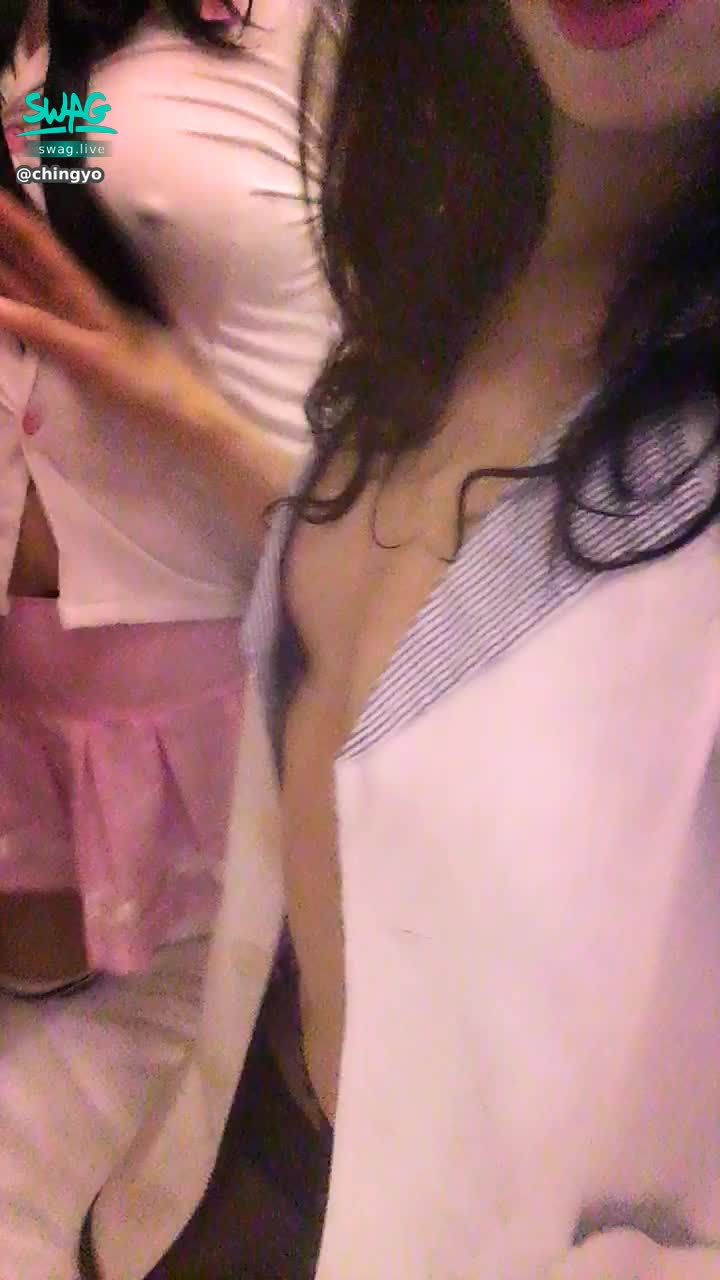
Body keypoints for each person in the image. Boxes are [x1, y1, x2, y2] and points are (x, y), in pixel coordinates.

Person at [3, 0, 720, 1275]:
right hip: (234, 1111)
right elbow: (64, 172)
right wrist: (158, 377)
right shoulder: (456, 239)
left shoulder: (280, 56)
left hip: (165, 616)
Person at [0, 0, 332, 994]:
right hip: (34, 675)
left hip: (224, 646)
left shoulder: (306, 35)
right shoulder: (42, 56)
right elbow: (61, 175)